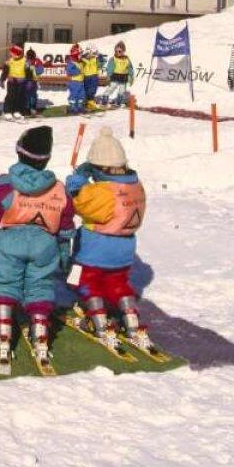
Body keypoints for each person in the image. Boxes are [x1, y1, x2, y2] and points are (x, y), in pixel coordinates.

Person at [0, 125, 75, 369]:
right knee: (40, 285)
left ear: (19, 153)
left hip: (9, 242)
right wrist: (64, 253)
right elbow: (65, 225)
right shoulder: (59, 189)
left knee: (5, 283)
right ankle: (40, 332)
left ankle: (3, 333)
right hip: (45, 243)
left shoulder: (6, 184)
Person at [65, 126, 152, 351]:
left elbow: (80, 203)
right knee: (118, 284)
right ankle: (131, 321)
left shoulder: (104, 190)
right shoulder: (136, 185)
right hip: (124, 249)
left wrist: (78, 180)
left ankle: (99, 321)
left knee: (87, 283)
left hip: (95, 249)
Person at [0, 44, 29, 121]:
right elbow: (5, 72)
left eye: (16, 54)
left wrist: (29, 81)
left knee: (19, 97)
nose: (13, 55)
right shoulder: (9, 61)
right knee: (10, 96)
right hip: (11, 82)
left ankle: (16, 111)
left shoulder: (25, 61)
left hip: (21, 82)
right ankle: (7, 112)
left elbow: (28, 72)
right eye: (12, 54)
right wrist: (2, 80)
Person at [101, 42, 135, 107]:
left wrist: (131, 77)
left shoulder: (127, 59)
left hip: (123, 77)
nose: (117, 52)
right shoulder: (113, 59)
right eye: (116, 51)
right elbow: (109, 68)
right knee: (112, 87)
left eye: (119, 51)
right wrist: (108, 76)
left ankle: (118, 102)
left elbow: (130, 68)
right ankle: (105, 99)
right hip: (115, 76)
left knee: (122, 90)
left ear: (123, 51)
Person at [65, 45, 85, 115]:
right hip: (74, 82)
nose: (81, 56)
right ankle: (73, 107)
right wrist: (77, 71)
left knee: (81, 94)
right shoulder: (71, 63)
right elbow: (69, 70)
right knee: (74, 95)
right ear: (75, 55)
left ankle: (79, 106)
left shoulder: (80, 62)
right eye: (80, 55)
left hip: (80, 82)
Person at [24, 48, 43, 117]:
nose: (30, 57)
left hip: (33, 81)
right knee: (26, 95)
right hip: (26, 81)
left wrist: (34, 68)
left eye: (31, 56)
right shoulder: (24, 61)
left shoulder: (37, 61)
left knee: (32, 95)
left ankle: (32, 108)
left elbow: (41, 70)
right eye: (29, 56)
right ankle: (27, 109)